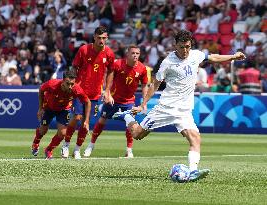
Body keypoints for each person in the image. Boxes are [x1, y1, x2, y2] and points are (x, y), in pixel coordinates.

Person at [112, 30, 246, 182]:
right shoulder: (168, 62)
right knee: (137, 134)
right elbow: (155, 84)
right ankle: (127, 116)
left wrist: (233, 56)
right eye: (182, 47)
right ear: (175, 45)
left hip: (184, 110)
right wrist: (143, 104)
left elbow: (213, 57)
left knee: (195, 138)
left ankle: (193, 171)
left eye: (188, 47)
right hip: (166, 108)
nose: (185, 50)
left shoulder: (195, 55)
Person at [83, 44, 149, 158]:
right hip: (113, 99)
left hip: (128, 101)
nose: (135, 55)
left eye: (137, 53)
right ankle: (91, 145)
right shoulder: (118, 64)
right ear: (127, 54)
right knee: (102, 121)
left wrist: (144, 103)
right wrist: (107, 92)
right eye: (132, 53)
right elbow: (108, 76)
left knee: (130, 124)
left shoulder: (142, 69)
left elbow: (144, 86)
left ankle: (129, 150)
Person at [61, 26, 115, 159]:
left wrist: (107, 91)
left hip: (95, 94)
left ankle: (77, 149)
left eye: (104, 38)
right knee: (77, 117)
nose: (101, 41)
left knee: (86, 123)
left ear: (106, 38)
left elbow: (111, 71)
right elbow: (74, 67)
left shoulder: (109, 53)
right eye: (99, 38)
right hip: (80, 91)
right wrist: (71, 85)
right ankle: (66, 145)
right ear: (94, 37)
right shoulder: (84, 50)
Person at [31, 70, 91, 159]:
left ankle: (49, 149)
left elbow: (88, 102)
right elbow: (41, 90)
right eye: (68, 83)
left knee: (63, 133)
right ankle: (36, 142)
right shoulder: (52, 84)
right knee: (43, 130)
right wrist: (40, 108)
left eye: (72, 84)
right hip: (49, 108)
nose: (70, 87)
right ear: (62, 81)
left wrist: (86, 121)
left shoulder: (76, 89)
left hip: (64, 109)